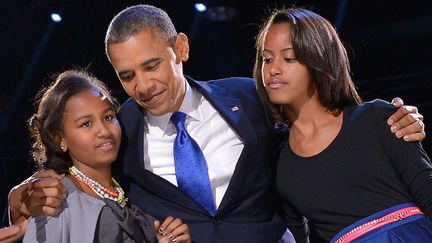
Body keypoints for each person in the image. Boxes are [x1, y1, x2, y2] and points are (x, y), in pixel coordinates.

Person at [6, 4, 426, 243]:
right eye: (127, 75)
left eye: (152, 65)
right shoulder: (119, 130)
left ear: (180, 49)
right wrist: (17, 198)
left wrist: (398, 121)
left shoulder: (250, 96)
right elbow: (79, 172)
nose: (143, 86)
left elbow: (317, 133)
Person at [254, 7, 432, 242]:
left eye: (289, 58)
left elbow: (426, 189)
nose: (273, 70)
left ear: (319, 59)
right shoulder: (278, 162)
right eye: (267, 59)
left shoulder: (379, 118)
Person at [21, 70, 191, 243]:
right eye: (86, 124)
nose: (104, 131)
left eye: (108, 117)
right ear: (60, 138)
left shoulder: (134, 191)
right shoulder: (53, 200)